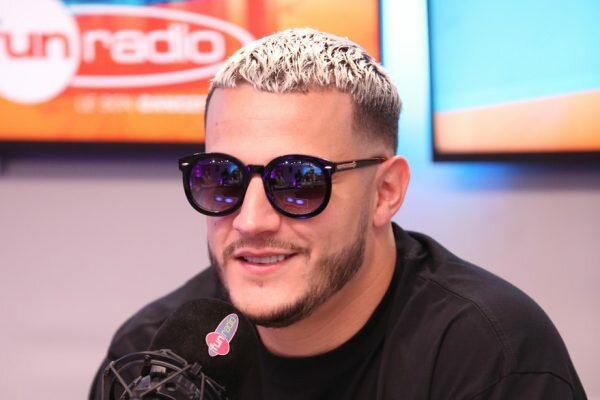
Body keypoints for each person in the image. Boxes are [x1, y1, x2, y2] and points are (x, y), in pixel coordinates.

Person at [90, 28, 587, 399]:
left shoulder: (489, 356)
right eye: (223, 178)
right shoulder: (150, 360)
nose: (251, 220)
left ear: (385, 192)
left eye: (298, 182)